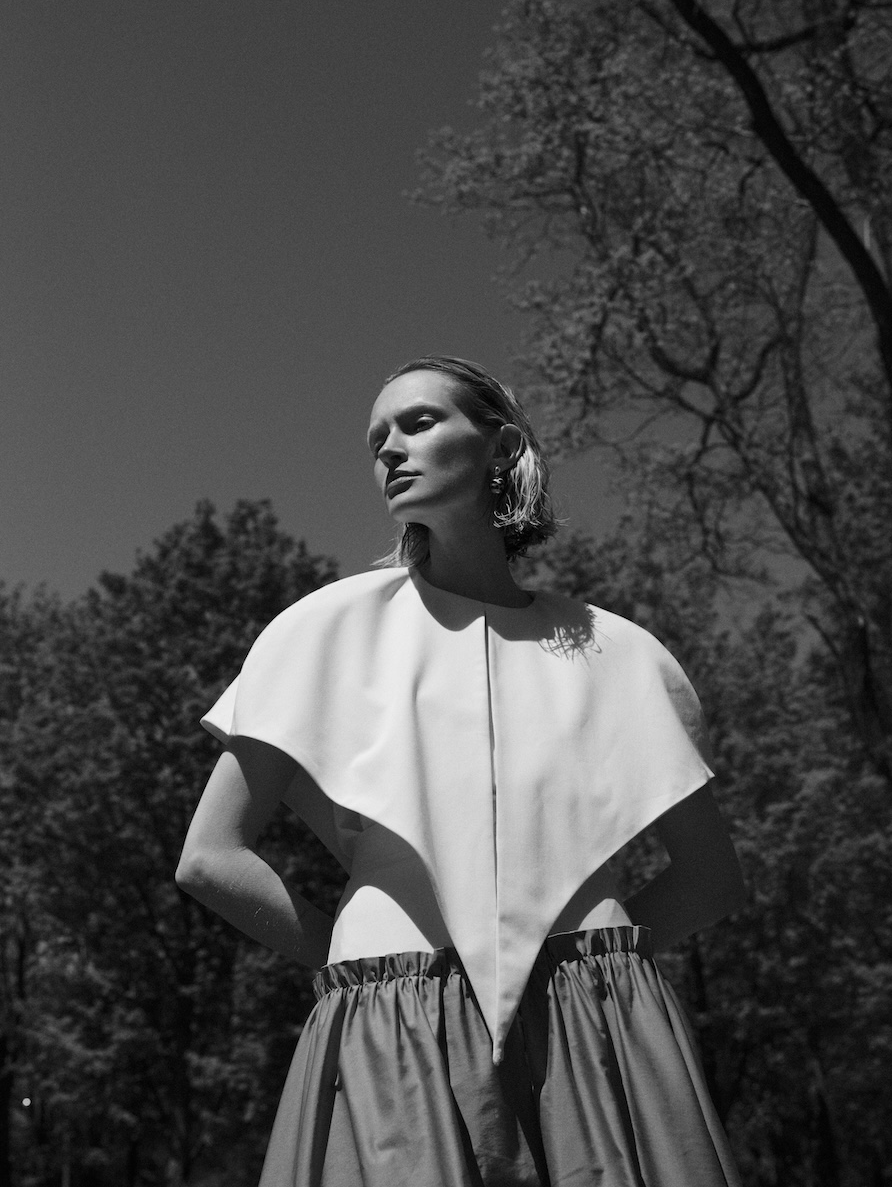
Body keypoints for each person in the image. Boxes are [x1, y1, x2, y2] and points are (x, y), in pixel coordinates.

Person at [176, 355, 746, 1187]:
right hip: (393, 1017)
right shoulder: (324, 631)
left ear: (501, 446)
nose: (389, 450)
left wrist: (595, 976)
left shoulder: (622, 655)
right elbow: (210, 856)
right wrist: (356, 970)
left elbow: (712, 877)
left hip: (599, 1025)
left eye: (417, 423)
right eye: (376, 439)